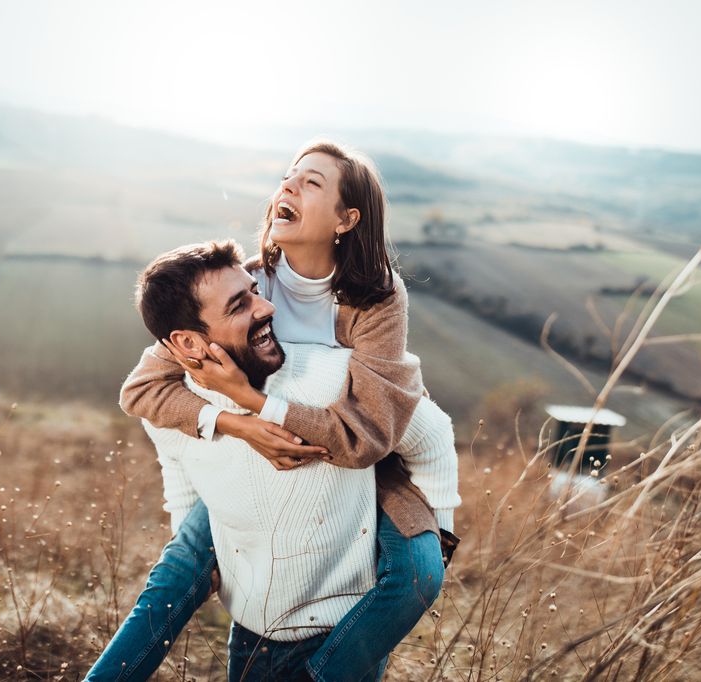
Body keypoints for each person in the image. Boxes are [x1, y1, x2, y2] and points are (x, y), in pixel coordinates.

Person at [87, 142, 461, 681]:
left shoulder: (376, 296)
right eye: (287, 177)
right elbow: (145, 387)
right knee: (178, 569)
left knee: (420, 574)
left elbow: (369, 433)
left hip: (362, 464)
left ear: (346, 218)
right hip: (260, 457)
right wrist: (241, 426)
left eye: (310, 183)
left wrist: (251, 400)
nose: (287, 186)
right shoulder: (248, 282)